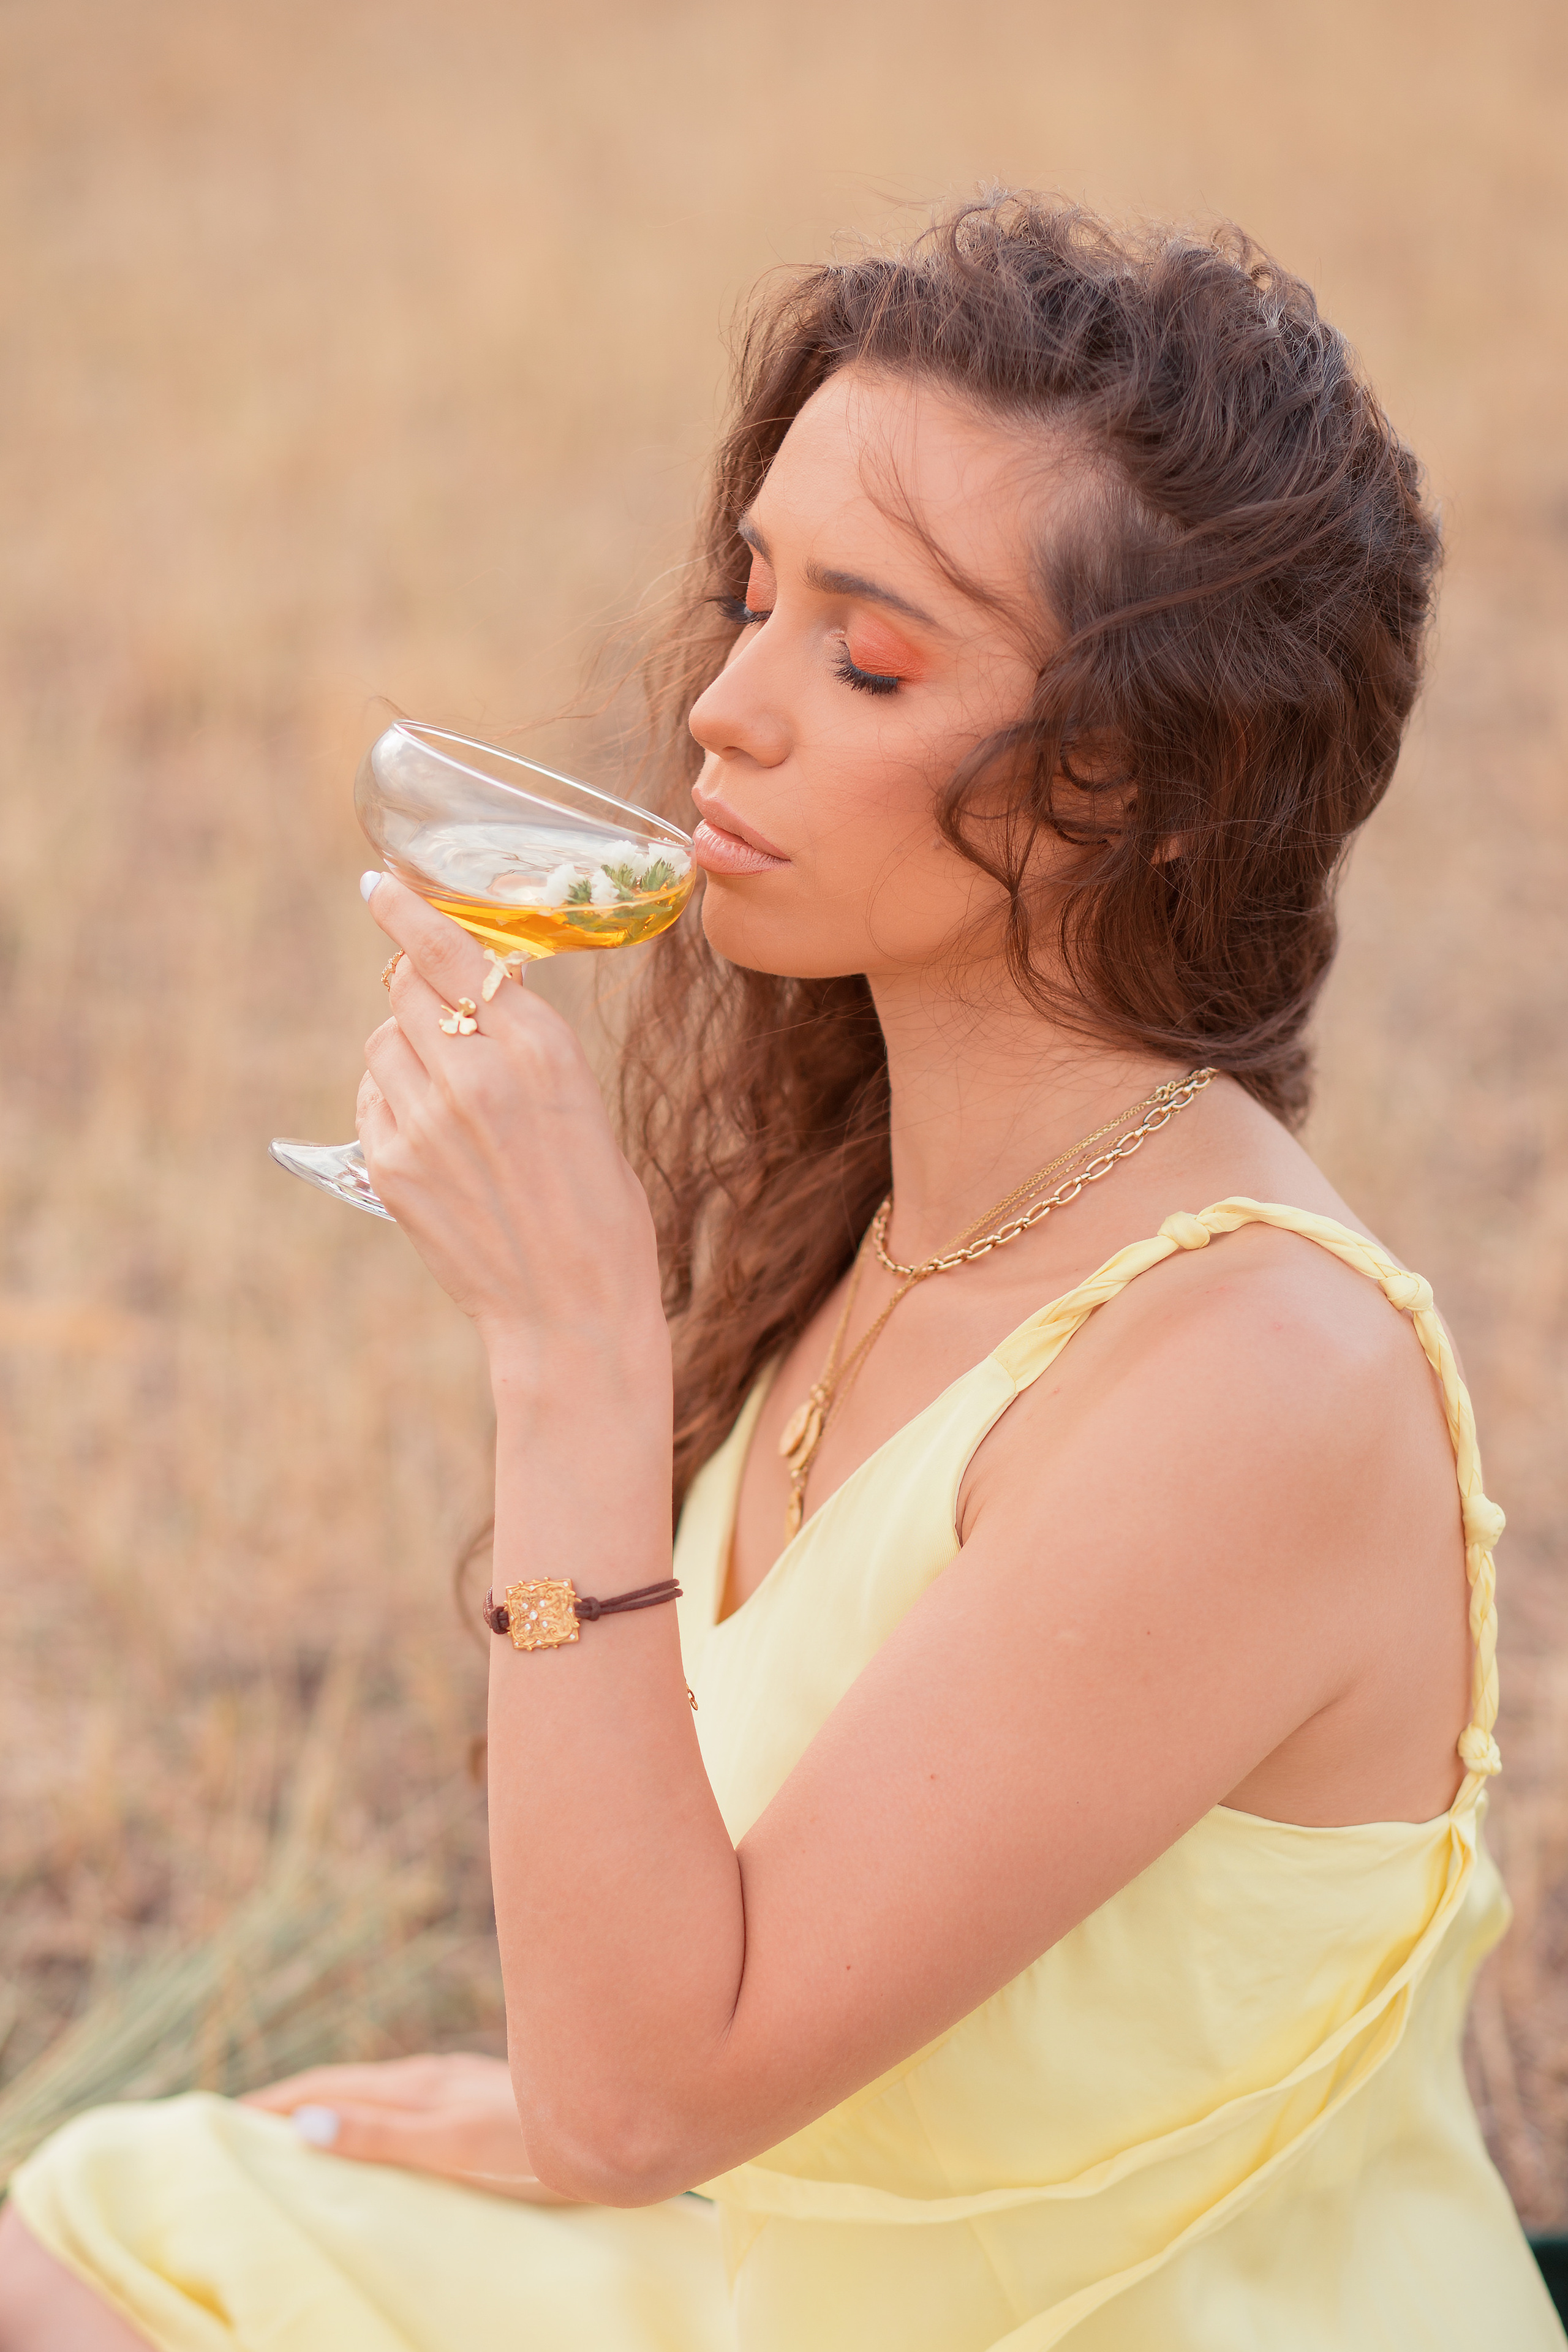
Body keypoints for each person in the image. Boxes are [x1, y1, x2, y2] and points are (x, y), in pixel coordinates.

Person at [1, 194, 1559, 2352]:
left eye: (868, 653)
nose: (726, 707)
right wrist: (565, 2129)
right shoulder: (897, 1207)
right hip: (815, 2260)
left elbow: (645, 2085)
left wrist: (566, 1348)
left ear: (1143, 784)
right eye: (754, 598)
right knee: (101, 2218)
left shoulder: (1257, 1381)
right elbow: (737, 2026)